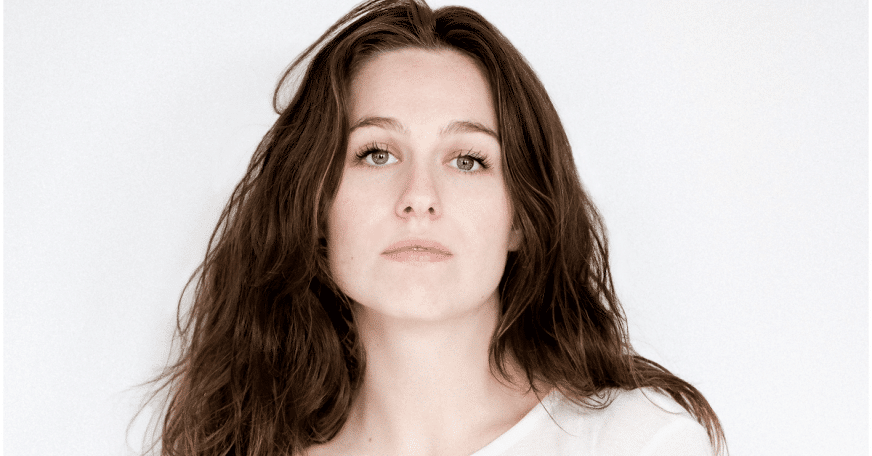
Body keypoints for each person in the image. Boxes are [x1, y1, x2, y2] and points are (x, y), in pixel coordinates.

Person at [149, 1, 727, 455]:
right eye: (376, 154)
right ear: (315, 207)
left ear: (522, 219)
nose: (419, 198)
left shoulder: (639, 442)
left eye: (467, 160)